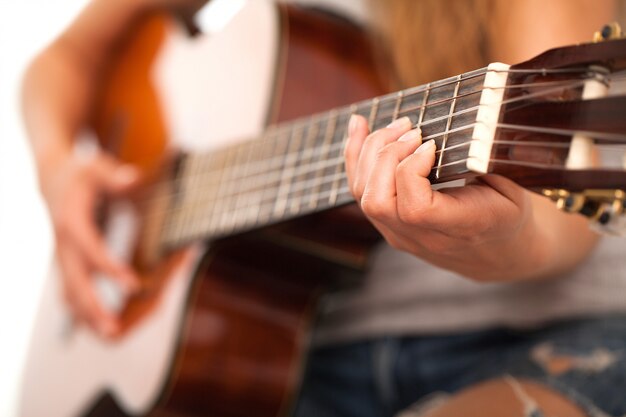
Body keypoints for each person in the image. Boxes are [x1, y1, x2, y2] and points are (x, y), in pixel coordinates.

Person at [22, 0, 626, 415]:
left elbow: (557, 228)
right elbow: (64, 60)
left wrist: (497, 231)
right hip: (290, 363)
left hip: (544, 339)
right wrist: (58, 170)